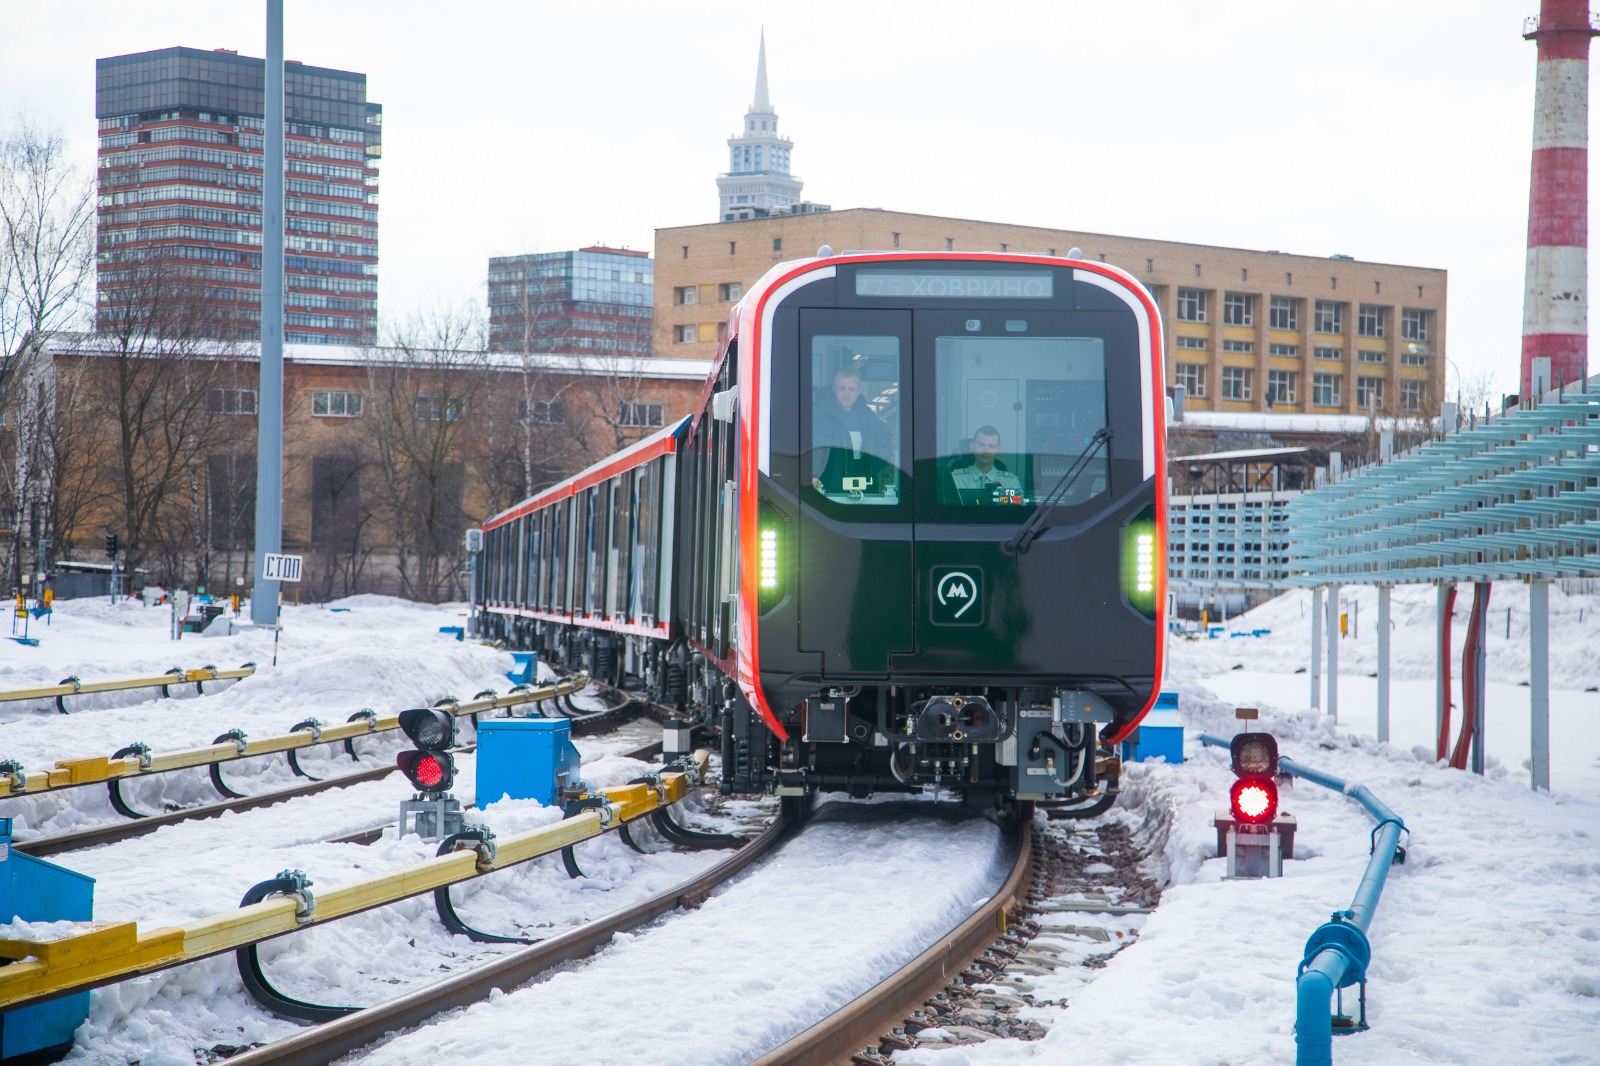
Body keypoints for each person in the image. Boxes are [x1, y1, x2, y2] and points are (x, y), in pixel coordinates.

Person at [811, 365, 893, 496]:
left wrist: (871, 466)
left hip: (865, 491)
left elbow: (886, 441)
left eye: (851, 389)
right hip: (832, 489)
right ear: (834, 389)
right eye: (842, 389)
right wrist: (814, 474)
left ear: (859, 391)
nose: (847, 394)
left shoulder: (868, 416)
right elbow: (817, 446)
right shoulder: (823, 414)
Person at [949, 425, 1025, 504]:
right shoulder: (955, 479)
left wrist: (1001, 499)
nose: (986, 451)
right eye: (981, 445)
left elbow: (1021, 508)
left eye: (991, 446)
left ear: (998, 449)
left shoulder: (1011, 481)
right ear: (972, 446)